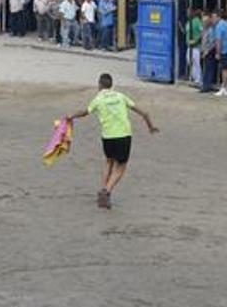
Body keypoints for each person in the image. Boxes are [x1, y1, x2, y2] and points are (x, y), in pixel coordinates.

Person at [66, 73, 158, 209]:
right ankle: (106, 191)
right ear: (111, 85)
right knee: (121, 166)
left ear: (99, 85)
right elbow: (144, 113)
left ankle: (103, 188)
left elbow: (85, 112)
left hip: (107, 136)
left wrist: (71, 116)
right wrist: (150, 126)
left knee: (109, 161)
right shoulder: (120, 96)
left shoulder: (98, 99)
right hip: (123, 134)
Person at [212, 10, 227, 97]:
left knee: (224, 69)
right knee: (226, 68)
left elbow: (218, 40)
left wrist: (218, 53)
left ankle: (224, 88)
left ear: (218, 17)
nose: (213, 19)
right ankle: (226, 84)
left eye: (214, 17)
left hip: (224, 50)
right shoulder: (225, 23)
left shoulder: (219, 26)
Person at [186, 10, 203, 85]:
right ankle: (195, 77)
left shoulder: (197, 21)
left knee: (196, 63)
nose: (188, 13)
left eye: (189, 12)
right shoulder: (188, 22)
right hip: (189, 45)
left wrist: (196, 40)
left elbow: (202, 32)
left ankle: (198, 78)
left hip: (196, 46)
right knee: (190, 61)